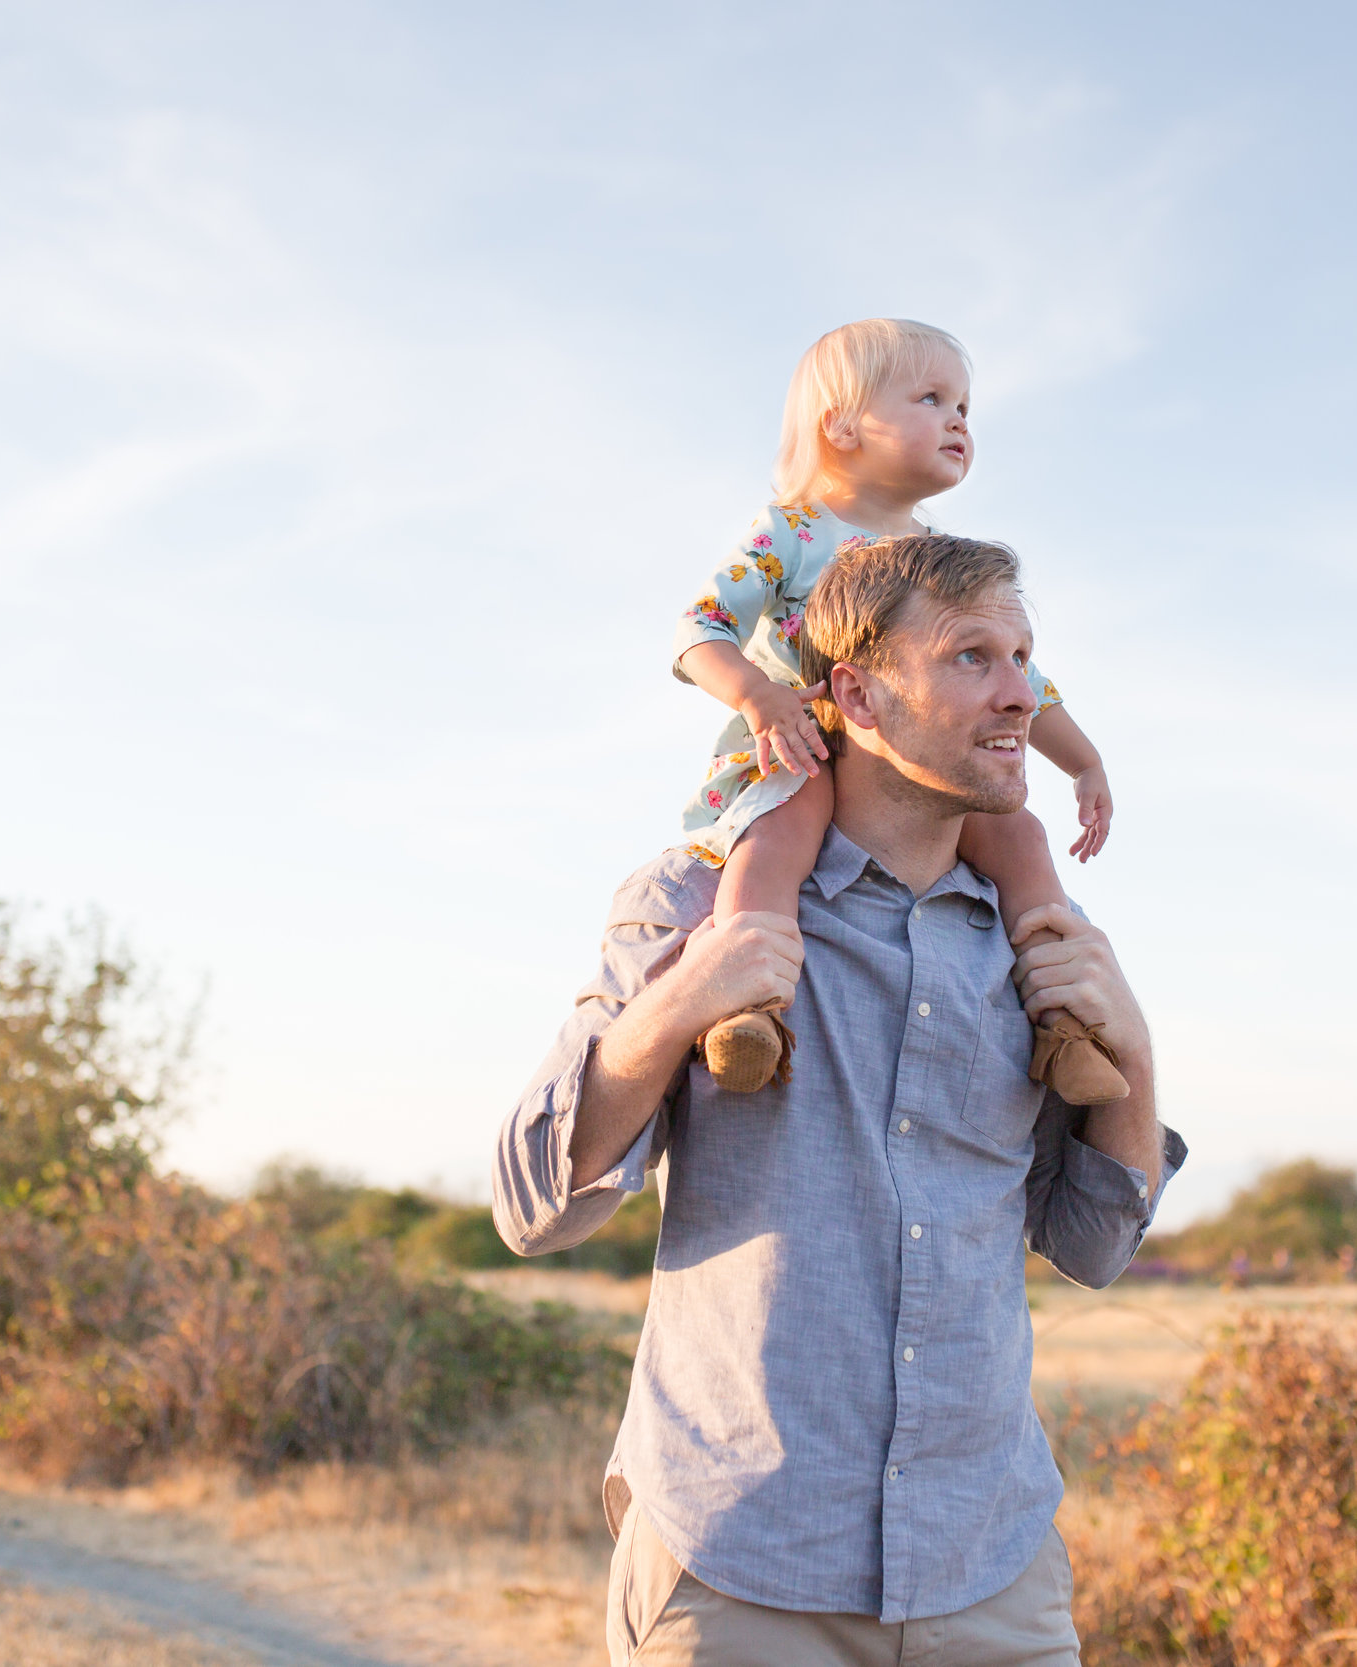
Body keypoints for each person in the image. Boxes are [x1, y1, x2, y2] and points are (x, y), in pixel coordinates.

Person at [493, 532, 1187, 1666]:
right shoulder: (694, 899)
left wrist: (1135, 1052)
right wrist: (674, 1010)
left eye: (1024, 655)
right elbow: (532, 1205)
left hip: (989, 1575)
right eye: (972, 656)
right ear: (856, 692)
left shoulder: (1037, 939)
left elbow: (1092, 1244)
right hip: (738, 1570)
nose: (1020, 693)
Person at [671, 319, 1124, 1106]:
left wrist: (1082, 761)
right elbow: (699, 629)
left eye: (965, 407)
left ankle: (1065, 1025)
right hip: (812, 742)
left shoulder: (936, 561)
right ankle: (750, 1010)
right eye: (932, 398)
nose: (959, 420)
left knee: (1019, 835)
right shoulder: (793, 532)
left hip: (923, 763)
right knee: (777, 833)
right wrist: (762, 696)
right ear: (841, 425)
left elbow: (1025, 679)